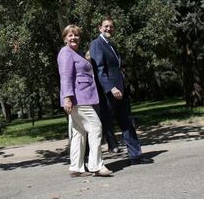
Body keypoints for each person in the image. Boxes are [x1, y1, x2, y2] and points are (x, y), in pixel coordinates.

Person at [89, 16, 153, 165]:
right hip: (108, 94)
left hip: (121, 92)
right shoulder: (96, 44)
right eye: (105, 26)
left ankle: (135, 156)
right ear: (100, 28)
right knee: (101, 126)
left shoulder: (112, 45)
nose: (108, 29)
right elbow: (99, 70)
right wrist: (111, 87)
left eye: (111, 27)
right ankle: (92, 162)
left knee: (128, 123)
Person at [57, 24, 112, 177]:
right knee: (95, 127)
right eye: (70, 35)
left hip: (82, 97)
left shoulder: (76, 53)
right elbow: (66, 76)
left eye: (76, 35)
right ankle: (96, 165)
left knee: (79, 133)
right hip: (77, 99)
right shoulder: (65, 52)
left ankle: (76, 167)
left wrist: (86, 59)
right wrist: (67, 97)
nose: (74, 38)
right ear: (65, 38)